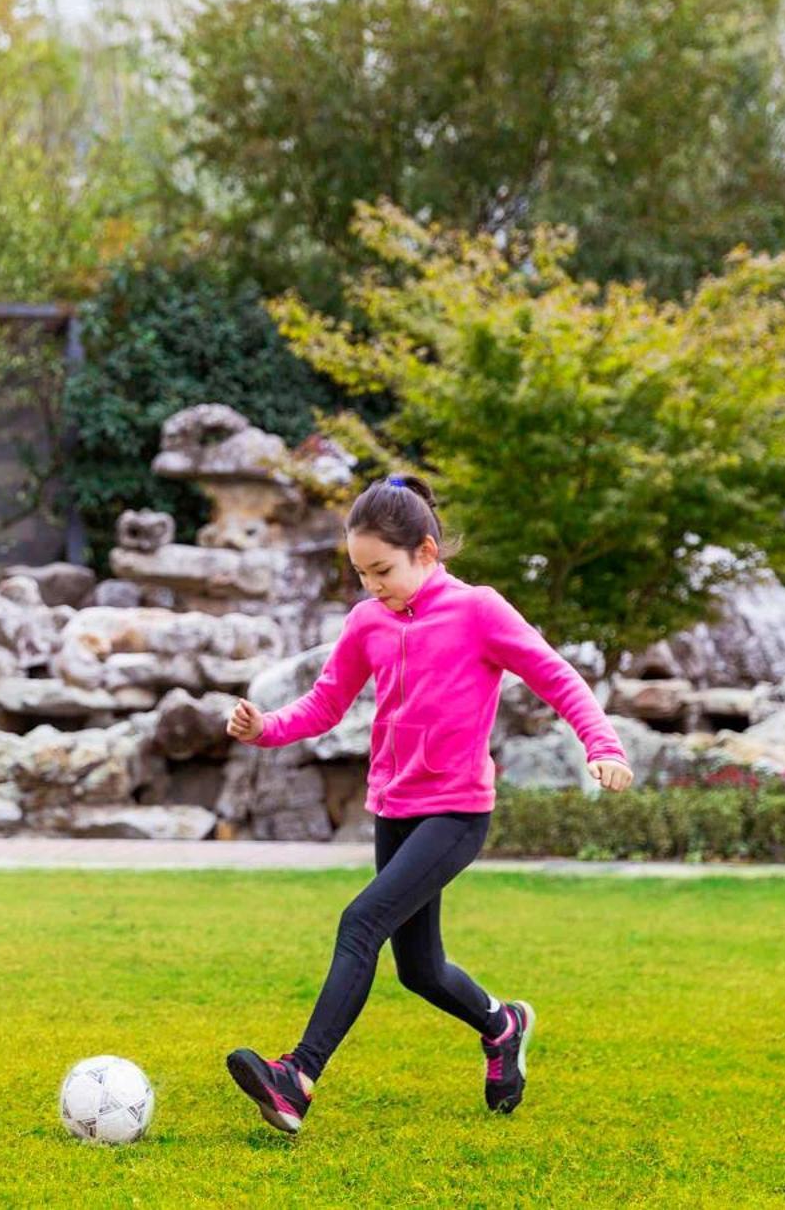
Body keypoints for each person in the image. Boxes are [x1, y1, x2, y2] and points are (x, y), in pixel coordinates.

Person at [223, 475, 633, 1132]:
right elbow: (326, 704)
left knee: (361, 924)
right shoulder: (367, 622)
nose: (371, 585)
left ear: (427, 552)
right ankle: (503, 1026)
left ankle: (295, 1078)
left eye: (382, 569)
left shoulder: (480, 611)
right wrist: (264, 727)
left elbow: (556, 676)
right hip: (394, 808)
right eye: (360, 573)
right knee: (419, 970)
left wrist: (602, 745)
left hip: (457, 812)